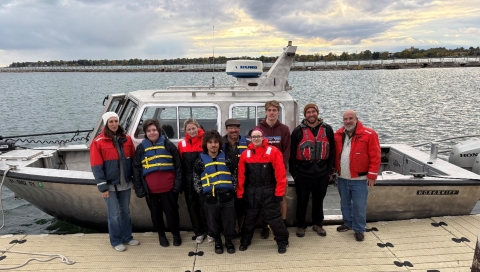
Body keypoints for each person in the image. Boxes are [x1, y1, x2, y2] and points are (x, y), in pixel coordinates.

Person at [90, 112, 139, 252]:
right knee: (114, 214)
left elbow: (134, 160)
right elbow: (96, 166)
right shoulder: (98, 142)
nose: (114, 124)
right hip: (110, 185)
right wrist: (102, 187)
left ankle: (127, 237)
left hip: (125, 183)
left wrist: (135, 181)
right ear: (106, 124)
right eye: (111, 121)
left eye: (116, 121)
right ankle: (116, 240)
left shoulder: (127, 139)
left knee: (126, 211)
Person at [237, 127, 289, 254]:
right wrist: (240, 193)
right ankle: (245, 240)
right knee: (249, 218)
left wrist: (279, 193)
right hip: (252, 191)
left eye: (258, 136)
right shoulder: (245, 154)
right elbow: (241, 176)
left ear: (263, 137)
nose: (256, 139)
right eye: (254, 137)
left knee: (274, 218)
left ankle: (282, 241)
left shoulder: (273, 151)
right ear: (250, 138)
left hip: (268, 190)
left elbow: (280, 174)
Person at [132, 119, 182, 247]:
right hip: (151, 191)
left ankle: (176, 234)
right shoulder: (141, 149)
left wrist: (177, 185)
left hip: (169, 189)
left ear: (158, 131)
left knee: (172, 213)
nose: (152, 133)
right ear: (145, 133)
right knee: (156, 215)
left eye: (154, 130)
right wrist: (139, 189)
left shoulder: (168, 145)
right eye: (149, 131)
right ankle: (161, 235)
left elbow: (178, 165)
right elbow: (136, 169)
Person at [289, 103, 336, 238]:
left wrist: (329, 172)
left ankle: (318, 224)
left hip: (322, 173)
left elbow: (332, 151)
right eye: (308, 112)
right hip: (303, 174)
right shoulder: (298, 131)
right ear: (305, 115)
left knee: (319, 200)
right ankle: (301, 225)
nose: (311, 114)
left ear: (317, 113)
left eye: (313, 112)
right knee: (302, 200)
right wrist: (295, 174)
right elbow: (292, 154)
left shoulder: (327, 129)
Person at [334, 110, 381, 242]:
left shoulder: (369, 134)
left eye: (350, 118)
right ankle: (348, 223)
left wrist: (372, 175)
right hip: (342, 178)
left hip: (359, 179)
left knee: (359, 206)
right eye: (345, 119)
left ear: (356, 119)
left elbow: (375, 155)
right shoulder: (337, 135)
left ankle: (359, 229)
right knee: (345, 204)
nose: (348, 121)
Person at [193, 130, 237, 254]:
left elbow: (234, 176)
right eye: (210, 142)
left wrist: (231, 190)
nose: (213, 145)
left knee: (229, 221)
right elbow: (196, 180)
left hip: (227, 198)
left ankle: (229, 241)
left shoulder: (227, 160)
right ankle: (217, 241)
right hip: (210, 199)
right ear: (206, 144)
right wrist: (202, 194)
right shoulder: (199, 162)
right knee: (213, 223)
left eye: (216, 142)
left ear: (219, 144)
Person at [257, 100, 291, 238]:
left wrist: (281, 166)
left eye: (274, 110)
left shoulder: (284, 129)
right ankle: (266, 224)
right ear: (265, 112)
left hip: (279, 170)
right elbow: (256, 149)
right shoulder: (259, 129)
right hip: (263, 170)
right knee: (265, 198)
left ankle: (282, 223)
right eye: (269, 110)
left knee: (281, 197)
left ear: (278, 112)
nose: (271, 113)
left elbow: (287, 150)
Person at [177, 118, 212, 243]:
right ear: (185, 130)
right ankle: (198, 232)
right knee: (192, 206)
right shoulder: (182, 144)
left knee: (205, 205)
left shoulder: (205, 141)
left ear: (198, 127)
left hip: (203, 178)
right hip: (188, 180)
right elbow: (180, 163)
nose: (192, 131)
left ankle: (210, 231)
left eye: (193, 128)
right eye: (189, 129)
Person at [222, 118, 248, 233]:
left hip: (244, 180)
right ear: (226, 130)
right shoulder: (219, 143)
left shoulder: (247, 144)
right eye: (231, 128)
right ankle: (230, 228)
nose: (234, 130)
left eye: (236, 127)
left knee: (241, 206)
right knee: (228, 207)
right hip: (225, 181)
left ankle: (240, 227)